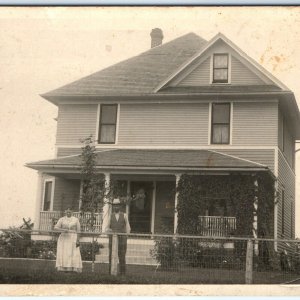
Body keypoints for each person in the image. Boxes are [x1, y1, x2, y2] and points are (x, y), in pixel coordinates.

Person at [106, 198, 131, 275]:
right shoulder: (111, 216)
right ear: (113, 207)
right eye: (115, 206)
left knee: (122, 255)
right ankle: (111, 272)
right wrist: (109, 231)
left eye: (117, 206)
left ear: (120, 206)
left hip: (122, 238)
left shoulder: (124, 215)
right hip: (113, 239)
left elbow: (128, 227)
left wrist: (126, 236)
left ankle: (122, 272)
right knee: (111, 254)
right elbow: (107, 228)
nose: (116, 207)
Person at [54, 208, 83, 273]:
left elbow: (78, 230)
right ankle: (63, 267)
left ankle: (73, 267)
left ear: (72, 212)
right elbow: (55, 227)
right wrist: (62, 230)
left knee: (73, 252)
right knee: (64, 252)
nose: (68, 213)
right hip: (64, 237)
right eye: (67, 212)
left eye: (70, 212)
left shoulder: (76, 220)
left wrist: (78, 240)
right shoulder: (62, 219)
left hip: (73, 237)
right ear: (65, 212)